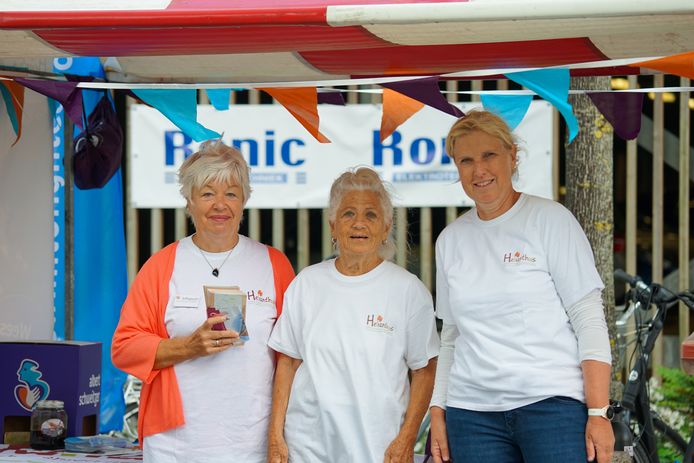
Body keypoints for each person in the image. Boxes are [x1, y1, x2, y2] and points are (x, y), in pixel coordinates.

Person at [429, 110, 615, 463]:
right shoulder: (449, 240)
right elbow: (451, 335)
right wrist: (438, 410)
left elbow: (588, 317)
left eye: (489, 155)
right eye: (466, 160)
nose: (478, 170)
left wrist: (598, 412)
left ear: (512, 156)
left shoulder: (550, 220)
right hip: (472, 415)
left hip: (552, 406)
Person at [111, 140, 295, 462]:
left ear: (244, 201)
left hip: (253, 440)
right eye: (207, 193)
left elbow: (292, 357)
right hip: (175, 443)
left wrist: (280, 433)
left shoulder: (274, 264)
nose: (219, 205)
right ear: (189, 201)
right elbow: (124, 347)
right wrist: (188, 346)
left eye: (231, 194)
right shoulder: (162, 265)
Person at [267, 167, 440, 463]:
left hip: (378, 449)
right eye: (348, 214)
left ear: (386, 227)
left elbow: (424, 369)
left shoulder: (408, 290)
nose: (359, 223)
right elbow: (288, 362)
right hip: (308, 447)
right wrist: (275, 437)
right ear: (333, 225)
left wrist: (407, 438)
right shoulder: (307, 283)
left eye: (371, 215)